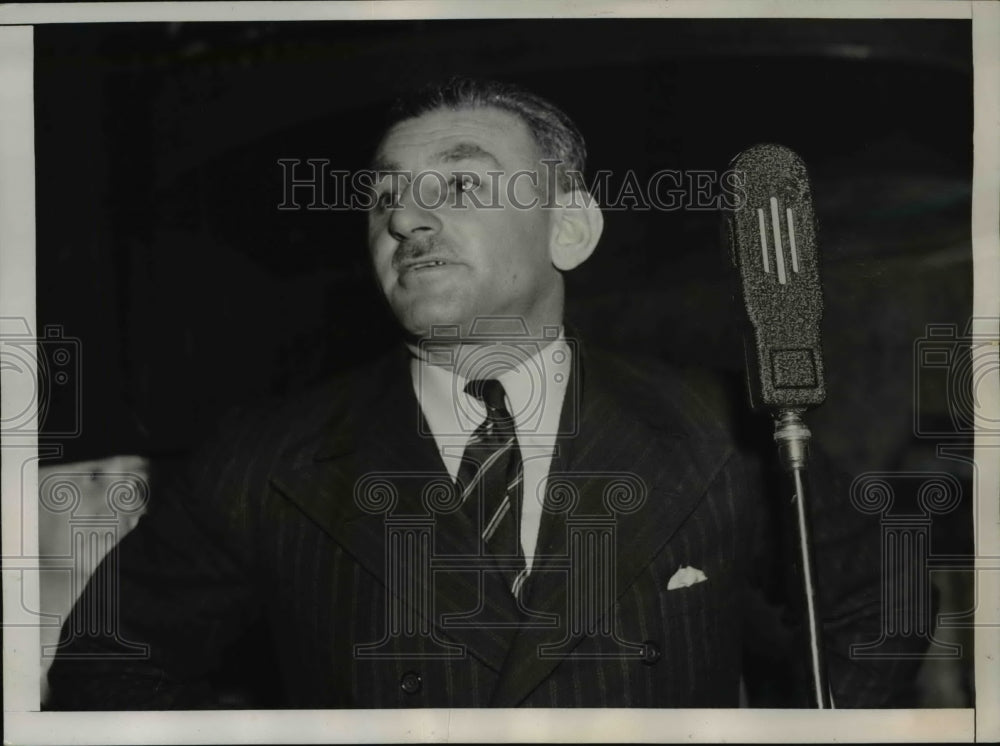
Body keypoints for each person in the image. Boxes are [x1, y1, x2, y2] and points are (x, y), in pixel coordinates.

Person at [47, 77, 920, 709]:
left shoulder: (721, 428)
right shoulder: (262, 458)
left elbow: (882, 602)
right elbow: (108, 666)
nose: (404, 219)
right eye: (384, 197)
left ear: (569, 229)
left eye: (460, 184)